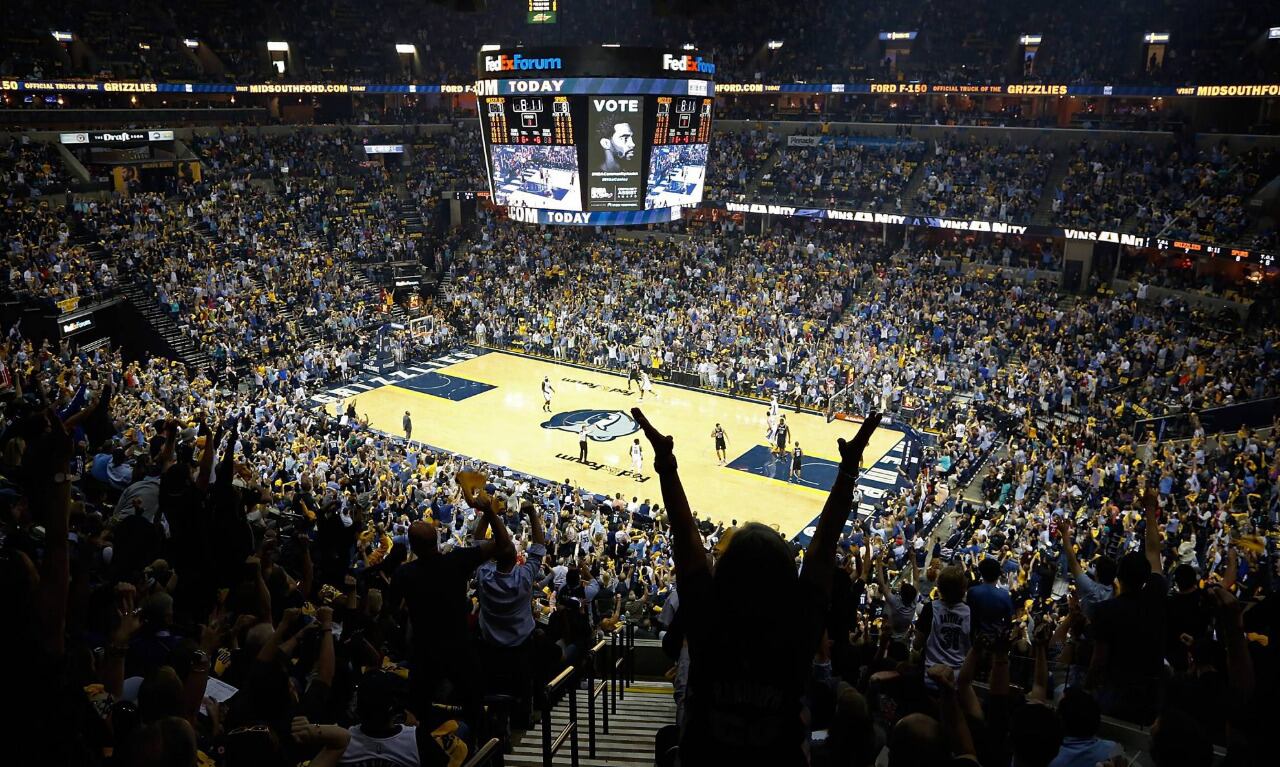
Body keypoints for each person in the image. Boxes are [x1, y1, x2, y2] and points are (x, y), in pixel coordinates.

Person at [630, 405, 882, 765]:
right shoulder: (797, 629)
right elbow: (822, 551)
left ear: (724, 573)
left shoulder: (707, 620)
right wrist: (847, 471)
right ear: (786, 580)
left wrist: (667, 467)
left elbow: (685, 539)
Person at [389, 475, 506, 729]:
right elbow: (502, 545)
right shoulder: (456, 561)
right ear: (437, 540)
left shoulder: (404, 574)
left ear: (413, 547)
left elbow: (389, 613)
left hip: (424, 650)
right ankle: (481, 747)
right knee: (473, 703)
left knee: (417, 708)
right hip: (459, 646)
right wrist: (489, 512)